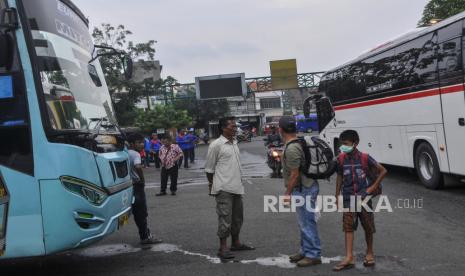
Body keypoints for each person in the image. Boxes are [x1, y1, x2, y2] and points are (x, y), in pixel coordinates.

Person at [333, 130, 387, 272]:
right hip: (348, 198)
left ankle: (370, 252)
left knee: (368, 226)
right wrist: (336, 194)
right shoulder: (341, 159)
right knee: (348, 227)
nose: (342, 146)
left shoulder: (365, 158)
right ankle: (349, 256)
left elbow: (383, 171)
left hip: (364, 198)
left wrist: (373, 187)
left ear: (355, 143)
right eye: (341, 144)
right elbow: (339, 177)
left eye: (345, 144)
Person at [205, 117, 255, 260]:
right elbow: (209, 169)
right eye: (232, 127)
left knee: (237, 218)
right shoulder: (216, 145)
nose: (235, 129)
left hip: (237, 187)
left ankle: (236, 243)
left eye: (235, 127)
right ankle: (223, 248)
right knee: (225, 218)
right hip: (223, 188)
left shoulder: (234, 142)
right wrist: (212, 185)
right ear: (223, 128)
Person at [279, 116, 321, 267]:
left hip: (304, 189)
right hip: (306, 187)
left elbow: (295, 174)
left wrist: (287, 194)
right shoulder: (297, 143)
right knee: (303, 222)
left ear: (281, 130)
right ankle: (305, 251)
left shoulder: (291, 148)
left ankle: (313, 255)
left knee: (307, 223)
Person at [126, 132, 163, 244]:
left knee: (137, 212)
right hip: (137, 185)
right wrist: (142, 180)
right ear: (132, 144)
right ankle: (145, 237)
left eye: (142, 142)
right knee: (141, 212)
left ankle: (144, 234)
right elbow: (138, 166)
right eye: (139, 142)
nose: (142, 144)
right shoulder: (135, 154)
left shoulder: (124, 153)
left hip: (128, 185)